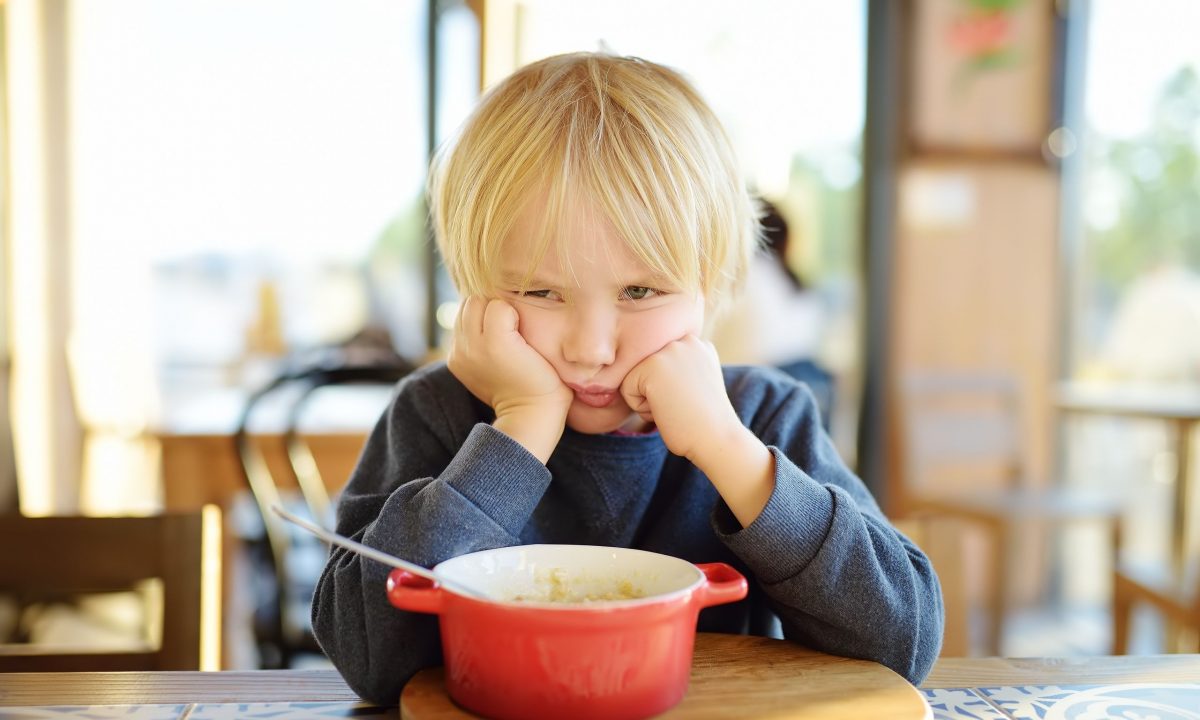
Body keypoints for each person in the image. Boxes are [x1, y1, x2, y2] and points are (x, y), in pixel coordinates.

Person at [312, 52, 943, 705]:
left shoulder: (760, 416)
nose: (591, 349)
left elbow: (903, 643)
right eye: (541, 292)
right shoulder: (436, 412)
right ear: (476, 289)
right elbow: (367, 659)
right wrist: (521, 427)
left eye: (640, 291)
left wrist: (729, 451)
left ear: (710, 285)